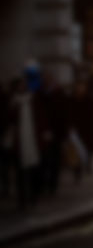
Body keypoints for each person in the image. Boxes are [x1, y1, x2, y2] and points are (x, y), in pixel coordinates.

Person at [10, 78, 50, 209]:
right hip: (19, 142)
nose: (22, 87)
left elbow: (41, 118)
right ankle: (22, 199)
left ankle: (33, 195)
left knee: (33, 169)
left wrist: (44, 134)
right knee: (20, 172)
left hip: (33, 140)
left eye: (24, 85)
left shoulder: (33, 100)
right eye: (20, 85)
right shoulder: (13, 102)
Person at [40, 74, 70, 195]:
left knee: (55, 160)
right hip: (44, 133)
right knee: (44, 159)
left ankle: (53, 184)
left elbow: (65, 116)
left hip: (57, 133)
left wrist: (65, 133)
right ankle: (45, 183)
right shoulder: (40, 95)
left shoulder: (60, 96)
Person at [70, 80, 93, 178]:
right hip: (77, 129)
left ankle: (87, 165)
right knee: (77, 151)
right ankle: (77, 170)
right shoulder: (73, 100)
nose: (80, 89)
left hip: (88, 129)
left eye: (82, 87)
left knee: (87, 149)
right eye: (78, 87)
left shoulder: (89, 100)